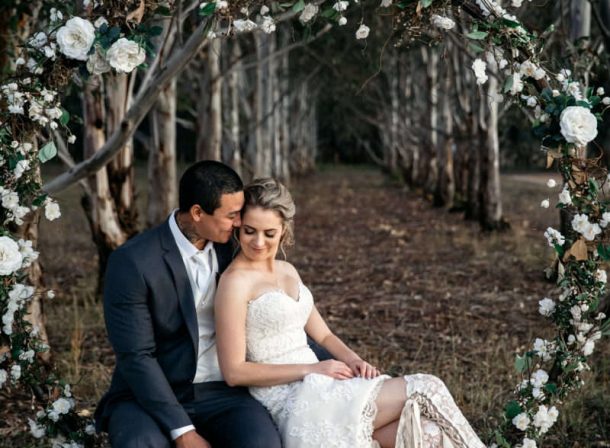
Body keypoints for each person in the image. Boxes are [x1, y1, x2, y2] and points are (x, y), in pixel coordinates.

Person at [215, 178, 486, 448]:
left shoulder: (288, 271)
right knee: (428, 386)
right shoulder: (234, 283)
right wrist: (313, 368)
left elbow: (323, 334)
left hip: (324, 382)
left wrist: (355, 360)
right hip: (294, 398)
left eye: (269, 233)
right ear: (239, 225)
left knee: (428, 433)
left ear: (284, 230)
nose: (258, 242)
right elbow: (235, 372)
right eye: (250, 231)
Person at [94, 161, 283, 448]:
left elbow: (277, 311)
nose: (238, 224)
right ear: (197, 213)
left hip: (223, 391)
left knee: (262, 443)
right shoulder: (133, 262)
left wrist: (334, 363)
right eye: (231, 215)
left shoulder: (235, 248)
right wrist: (183, 431)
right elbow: (136, 356)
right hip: (148, 394)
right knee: (141, 444)